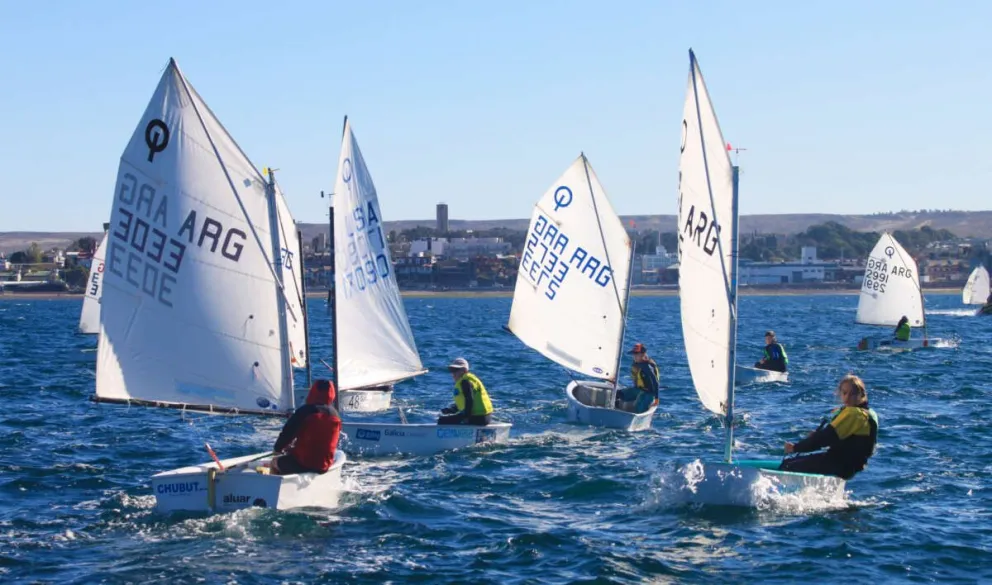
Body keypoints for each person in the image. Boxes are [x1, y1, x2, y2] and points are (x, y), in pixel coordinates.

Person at [779, 374, 878, 480]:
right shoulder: (868, 413)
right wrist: (817, 436)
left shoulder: (854, 414)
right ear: (840, 393)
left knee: (788, 465)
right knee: (791, 462)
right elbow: (841, 438)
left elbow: (825, 438)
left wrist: (795, 447)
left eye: (853, 394)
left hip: (840, 464)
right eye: (845, 393)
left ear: (861, 394)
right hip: (850, 465)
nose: (847, 397)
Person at [270, 380, 342, 475]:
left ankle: (276, 484)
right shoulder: (336, 415)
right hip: (324, 466)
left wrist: (277, 449)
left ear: (313, 392)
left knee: (275, 462)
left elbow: (287, 434)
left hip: (302, 464)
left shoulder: (305, 411)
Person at [438, 357, 494, 425]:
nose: (453, 373)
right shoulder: (469, 379)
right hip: (486, 416)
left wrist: (465, 418)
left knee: (441, 421)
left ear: (464, 371)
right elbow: (466, 401)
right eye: (452, 370)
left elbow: (469, 401)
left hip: (478, 418)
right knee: (446, 411)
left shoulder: (465, 382)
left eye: (456, 370)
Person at [615, 343, 660, 414]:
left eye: (637, 354)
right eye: (634, 354)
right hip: (638, 390)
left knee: (639, 410)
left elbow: (655, 382)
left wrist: (657, 398)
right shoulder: (637, 363)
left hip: (648, 393)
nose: (634, 356)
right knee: (617, 394)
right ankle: (615, 411)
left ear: (643, 354)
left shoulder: (647, 366)